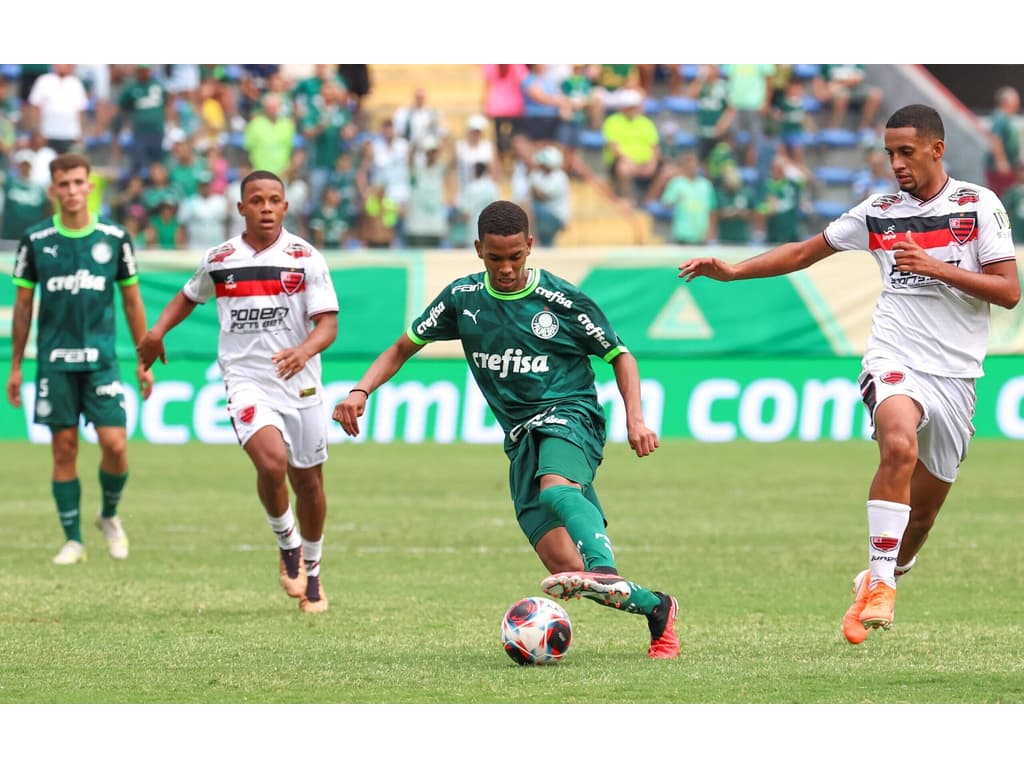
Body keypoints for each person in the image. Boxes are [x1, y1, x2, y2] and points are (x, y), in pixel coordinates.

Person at [678, 104, 1020, 645]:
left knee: (922, 518)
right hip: (894, 355)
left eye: (906, 152)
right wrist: (735, 271)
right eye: (889, 153)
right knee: (898, 444)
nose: (896, 163)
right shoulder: (878, 211)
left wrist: (935, 267)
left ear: (937, 149)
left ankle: (886, 573)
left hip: (956, 374)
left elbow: (1008, 292)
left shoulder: (977, 205)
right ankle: (882, 585)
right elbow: (804, 251)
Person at [332, 200, 680, 658]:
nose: (506, 268)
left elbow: (620, 355)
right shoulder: (462, 299)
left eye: (515, 256)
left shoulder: (561, 300)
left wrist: (635, 418)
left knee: (558, 491)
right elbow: (401, 348)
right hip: (520, 439)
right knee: (565, 569)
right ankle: (658, 609)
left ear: (530, 246)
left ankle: (604, 568)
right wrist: (360, 390)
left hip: (570, 414)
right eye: (495, 258)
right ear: (479, 249)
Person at [136, 170, 339, 613]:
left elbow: (328, 325)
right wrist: (156, 332)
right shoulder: (221, 258)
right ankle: (287, 543)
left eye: (274, 200)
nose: (266, 208)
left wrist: (304, 351)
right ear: (241, 208)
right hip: (246, 380)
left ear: (285, 207)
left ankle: (314, 574)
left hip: (300, 384)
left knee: (309, 482)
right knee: (271, 462)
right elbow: (189, 295)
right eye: (257, 200)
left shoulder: (306, 258)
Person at [7, 152, 155, 564]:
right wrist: (16, 366)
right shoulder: (36, 240)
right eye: (64, 184)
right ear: (53, 190)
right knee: (64, 449)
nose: (72, 191)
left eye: (78, 182)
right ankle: (73, 540)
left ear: (89, 186)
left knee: (116, 446)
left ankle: (108, 514)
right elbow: (23, 308)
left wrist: (143, 359)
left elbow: (132, 301)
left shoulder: (114, 237)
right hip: (54, 363)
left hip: (101, 362)